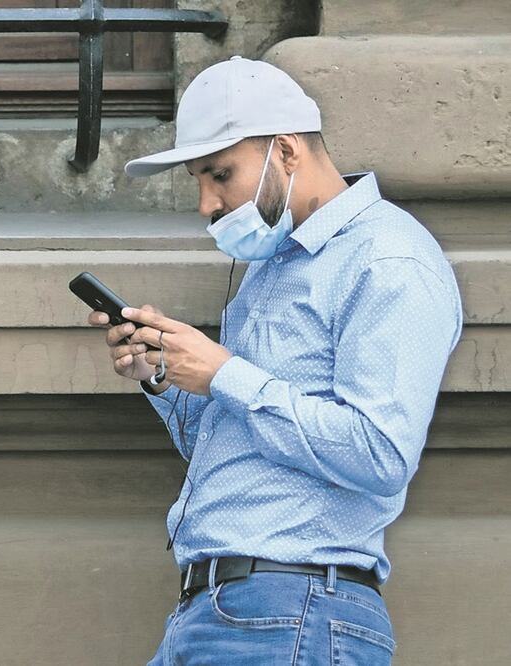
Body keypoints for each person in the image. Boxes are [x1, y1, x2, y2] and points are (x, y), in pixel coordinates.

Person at [89, 56, 462, 664]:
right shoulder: (275, 266)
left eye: (220, 174)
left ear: (287, 150)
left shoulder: (388, 260)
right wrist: (162, 376)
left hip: (294, 607)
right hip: (227, 611)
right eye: (198, 181)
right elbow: (235, 444)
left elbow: (381, 453)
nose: (207, 203)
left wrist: (223, 373)